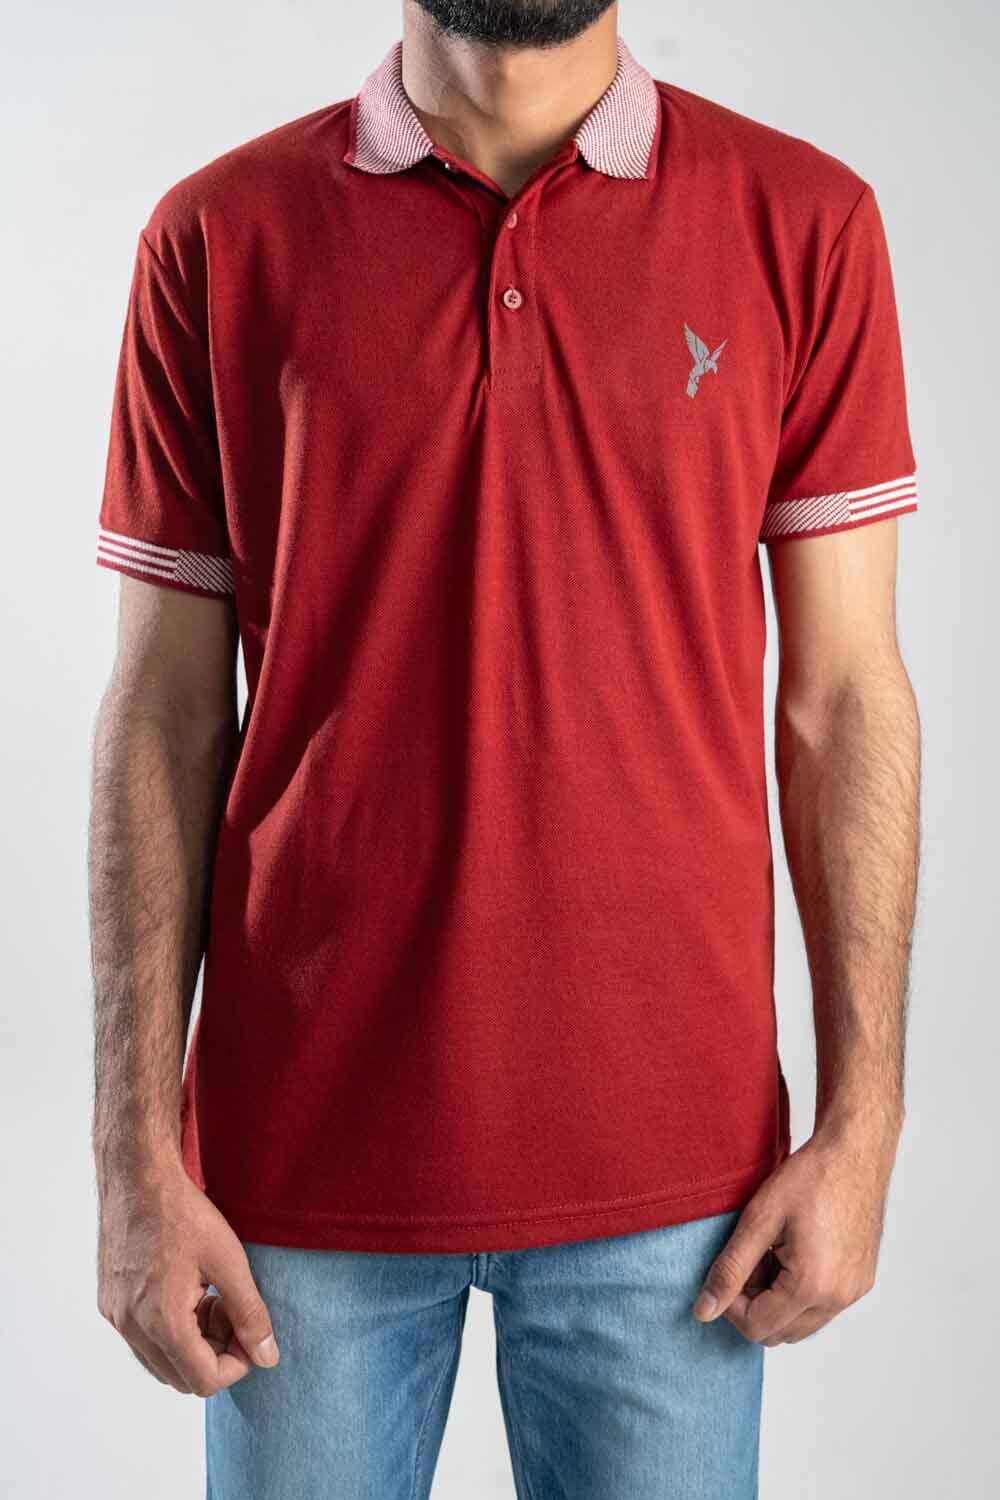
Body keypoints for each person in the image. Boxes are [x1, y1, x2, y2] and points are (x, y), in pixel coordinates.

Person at [88, 2, 920, 1495]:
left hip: (679, 1180)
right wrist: (133, 1158)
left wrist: (866, 1125)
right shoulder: (217, 238)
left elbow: (845, 701)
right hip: (296, 1175)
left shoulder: (805, 225)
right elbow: (162, 714)